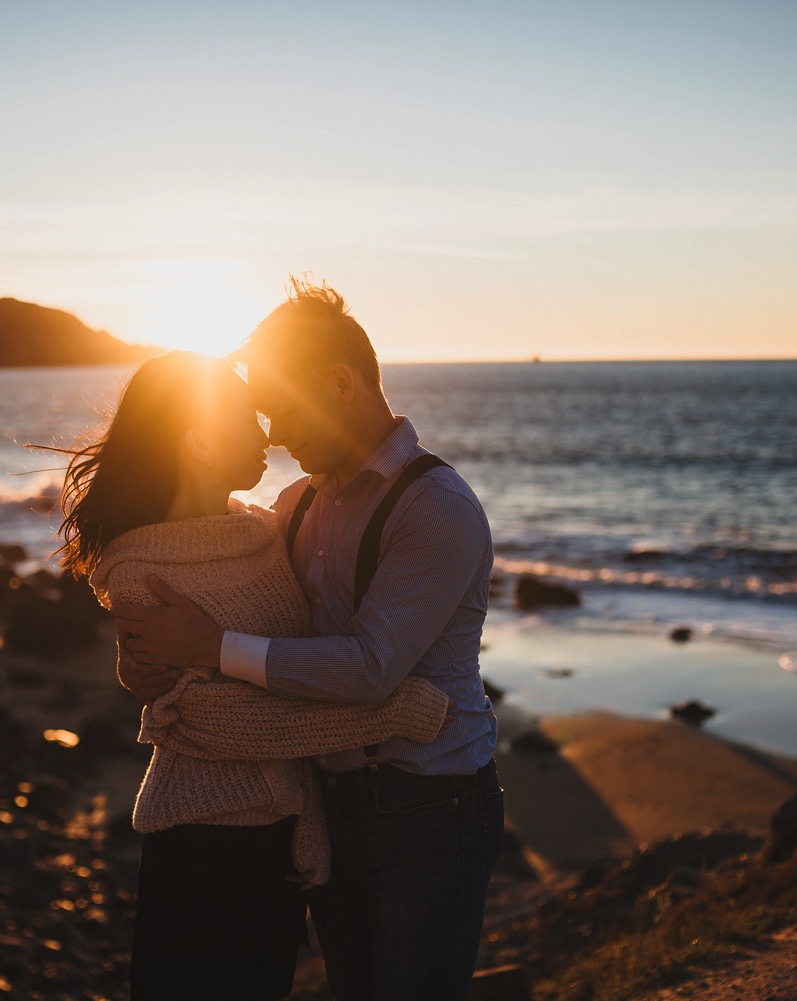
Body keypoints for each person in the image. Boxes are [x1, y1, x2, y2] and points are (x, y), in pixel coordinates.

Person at [113, 282, 503, 1001]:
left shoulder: (435, 508)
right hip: (329, 804)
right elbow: (211, 576)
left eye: (282, 406)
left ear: (338, 382)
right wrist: (143, 660)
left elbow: (371, 668)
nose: (273, 431)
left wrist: (208, 645)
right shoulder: (294, 509)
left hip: (429, 806)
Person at [57, 350, 452, 1001]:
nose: (266, 432)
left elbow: (289, 669)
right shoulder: (143, 567)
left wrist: (309, 830)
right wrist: (390, 711)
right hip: (201, 851)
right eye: (245, 416)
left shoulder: (267, 531)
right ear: (202, 437)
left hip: (277, 856)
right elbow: (212, 721)